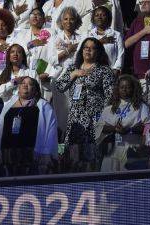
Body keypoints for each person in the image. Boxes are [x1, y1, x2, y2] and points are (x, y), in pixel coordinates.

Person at [55, 37, 115, 172]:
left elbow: (110, 96)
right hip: (75, 119)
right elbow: (59, 86)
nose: (88, 50)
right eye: (85, 47)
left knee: (92, 157)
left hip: (94, 118)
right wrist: (74, 74)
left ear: (98, 52)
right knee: (73, 157)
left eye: (92, 48)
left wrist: (102, 117)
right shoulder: (73, 68)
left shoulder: (104, 70)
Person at [0, 76, 58, 176]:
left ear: (35, 90)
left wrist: (47, 153)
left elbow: (51, 131)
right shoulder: (9, 106)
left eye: (30, 84)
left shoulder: (44, 106)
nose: (25, 85)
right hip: (8, 155)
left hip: (32, 157)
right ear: (18, 89)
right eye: (23, 83)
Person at [98, 75, 150, 172]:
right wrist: (114, 129)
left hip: (133, 150)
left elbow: (147, 127)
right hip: (113, 151)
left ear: (133, 89)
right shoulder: (109, 108)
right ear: (117, 89)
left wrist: (130, 130)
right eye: (122, 87)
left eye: (128, 87)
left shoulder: (141, 107)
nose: (124, 90)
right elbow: (100, 127)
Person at [48, 6, 82, 138]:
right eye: (65, 19)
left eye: (72, 19)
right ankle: (61, 147)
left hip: (77, 80)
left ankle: (74, 146)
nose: (68, 21)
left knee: (76, 111)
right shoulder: (55, 39)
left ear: (76, 21)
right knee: (61, 114)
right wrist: (68, 51)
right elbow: (52, 60)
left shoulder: (82, 37)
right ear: (61, 22)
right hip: (59, 79)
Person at [13, 8, 53, 100]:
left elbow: (54, 56)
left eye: (38, 14)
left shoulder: (51, 33)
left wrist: (48, 73)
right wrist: (30, 45)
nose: (35, 16)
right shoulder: (21, 35)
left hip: (44, 79)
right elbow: (15, 54)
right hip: (25, 78)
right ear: (29, 19)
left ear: (44, 19)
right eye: (32, 14)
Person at [85, 6, 124, 77]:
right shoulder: (87, 34)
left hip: (110, 72)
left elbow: (121, 54)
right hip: (90, 73)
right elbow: (83, 50)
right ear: (93, 19)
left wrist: (116, 69)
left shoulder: (116, 34)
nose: (99, 17)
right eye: (97, 15)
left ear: (108, 18)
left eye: (103, 15)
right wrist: (100, 42)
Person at [125, 0, 150, 81]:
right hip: (137, 71)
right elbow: (126, 43)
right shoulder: (137, 21)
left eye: (146, 2)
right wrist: (144, 31)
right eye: (141, 2)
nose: (143, 4)